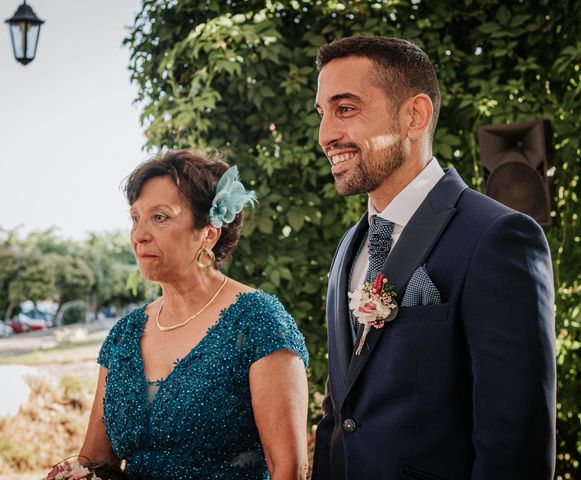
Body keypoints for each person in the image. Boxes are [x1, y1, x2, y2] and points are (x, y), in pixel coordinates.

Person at [311, 36, 556, 480]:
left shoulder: (497, 237)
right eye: (322, 113)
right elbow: (338, 415)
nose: (325, 134)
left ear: (414, 116)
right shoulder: (348, 248)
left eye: (345, 109)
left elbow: (515, 448)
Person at [79, 150, 309, 480]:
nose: (139, 235)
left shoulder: (258, 321)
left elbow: (289, 469)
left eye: (160, 217)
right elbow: (95, 460)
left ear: (208, 233)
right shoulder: (124, 335)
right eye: (135, 218)